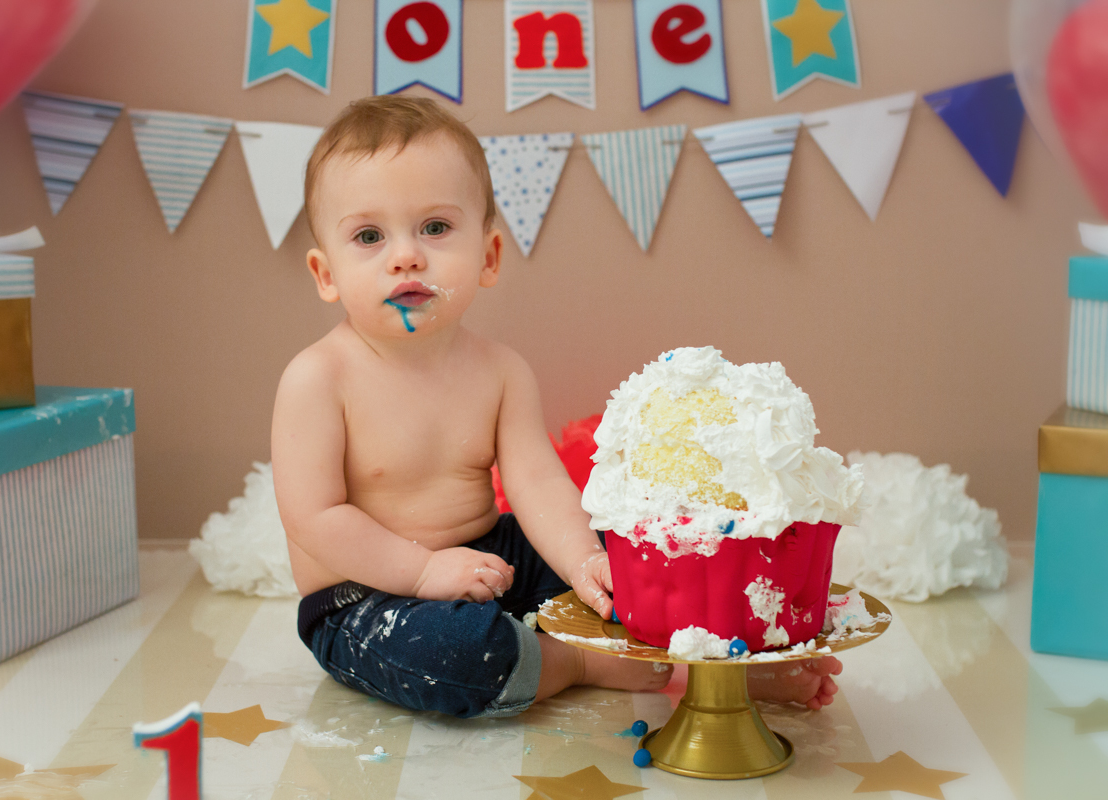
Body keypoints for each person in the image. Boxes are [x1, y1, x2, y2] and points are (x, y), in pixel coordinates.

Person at [272, 95, 841, 718]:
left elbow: (538, 481)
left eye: (435, 228)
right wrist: (422, 574)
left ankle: (718, 668)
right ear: (325, 274)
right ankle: (582, 663)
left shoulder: (498, 371)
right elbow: (316, 519)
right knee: (466, 653)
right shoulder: (317, 380)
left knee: (626, 560)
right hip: (367, 597)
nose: (405, 254)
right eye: (369, 235)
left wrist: (585, 561)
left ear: (487, 257)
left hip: (490, 554)